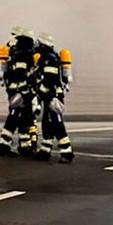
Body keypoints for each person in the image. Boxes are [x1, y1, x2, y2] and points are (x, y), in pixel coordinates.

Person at [33, 32, 73, 163]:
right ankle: (45, 150)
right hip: (50, 96)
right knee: (47, 122)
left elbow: (49, 79)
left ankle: (67, 152)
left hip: (52, 95)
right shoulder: (49, 56)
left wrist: (41, 90)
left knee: (57, 123)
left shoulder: (48, 58)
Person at [0, 26, 37, 157]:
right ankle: (4, 145)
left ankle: (24, 145)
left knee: (24, 117)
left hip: (15, 89)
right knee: (15, 116)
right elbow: (21, 74)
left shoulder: (14, 51)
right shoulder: (22, 54)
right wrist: (25, 89)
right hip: (20, 91)